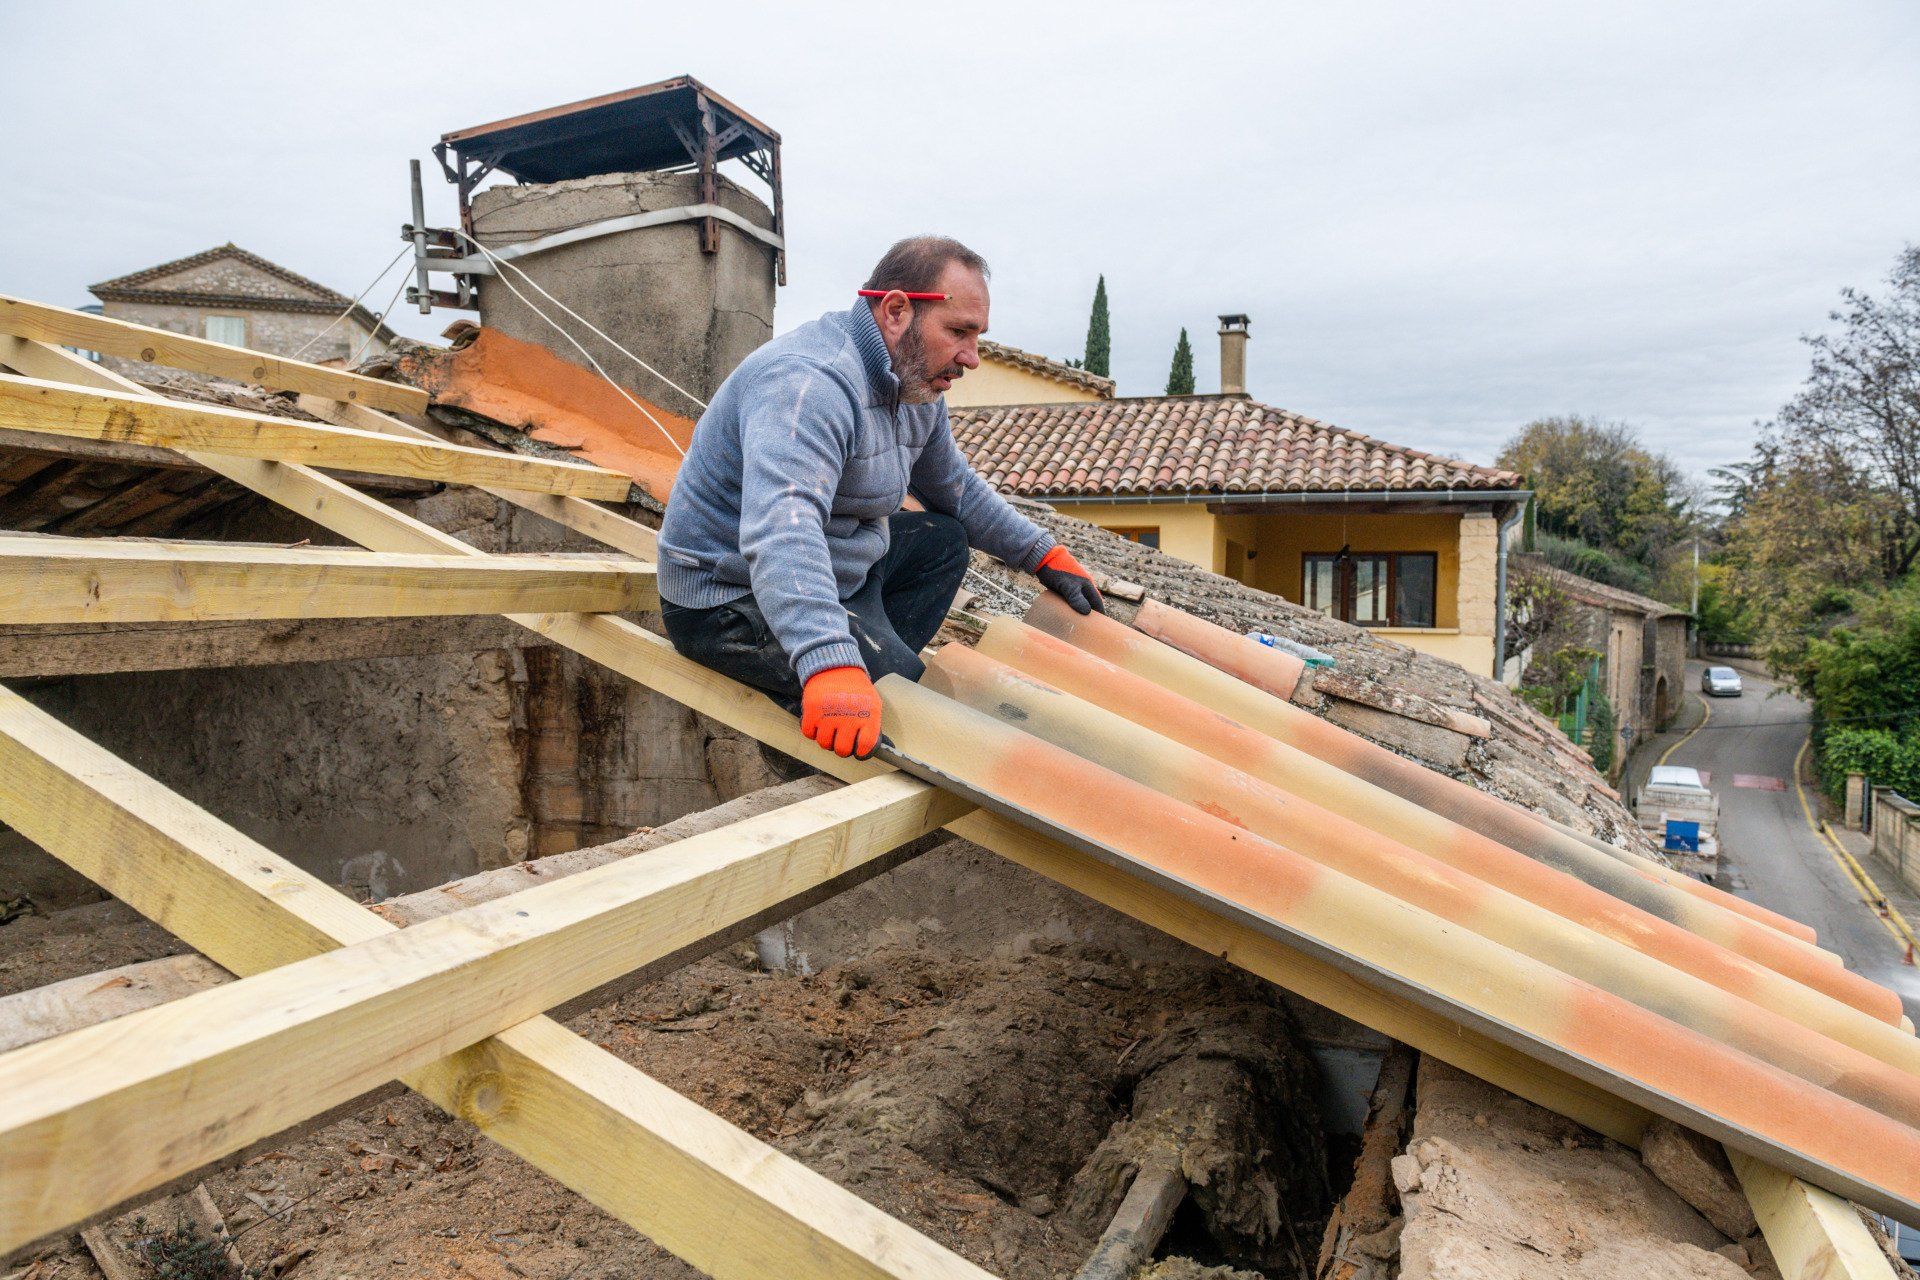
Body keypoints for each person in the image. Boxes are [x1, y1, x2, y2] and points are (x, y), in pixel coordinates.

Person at [658, 235, 1103, 761]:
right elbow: (784, 533)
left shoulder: (914, 385)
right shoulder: (809, 384)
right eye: (958, 332)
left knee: (944, 540)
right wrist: (830, 663)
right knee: (919, 714)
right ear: (896, 311)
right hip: (732, 597)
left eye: (977, 336)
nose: (972, 357)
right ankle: (829, 695)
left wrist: (1042, 554)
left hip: (837, 570)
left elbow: (954, 489)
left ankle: (859, 658)